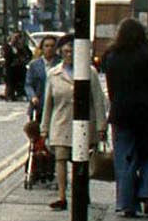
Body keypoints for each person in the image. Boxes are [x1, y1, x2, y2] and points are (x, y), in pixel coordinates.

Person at [100, 17, 148, 218]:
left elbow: (111, 88)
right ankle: (147, 193)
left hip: (121, 113)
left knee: (125, 157)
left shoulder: (112, 56)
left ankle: (127, 203)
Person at [40, 39, 108, 211]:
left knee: (82, 162)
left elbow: (98, 100)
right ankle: (62, 197)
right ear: (60, 53)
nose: (69, 55)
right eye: (65, 52)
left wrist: (101, 126)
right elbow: (48, 103)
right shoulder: (54, 74)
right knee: (60, 159)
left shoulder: (89, 72)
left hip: (84, 125)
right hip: (61, 123)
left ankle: (82, 193)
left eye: (72, 51)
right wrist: (44, 129)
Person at [25, 35, 58, 124]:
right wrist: (33, 97)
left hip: (56, 105)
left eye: (52, 46)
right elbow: (28, 84)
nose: (49, 48)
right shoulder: (34, 65)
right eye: (46, 46)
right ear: (42, 48)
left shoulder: (60, 64)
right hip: (40, 104)